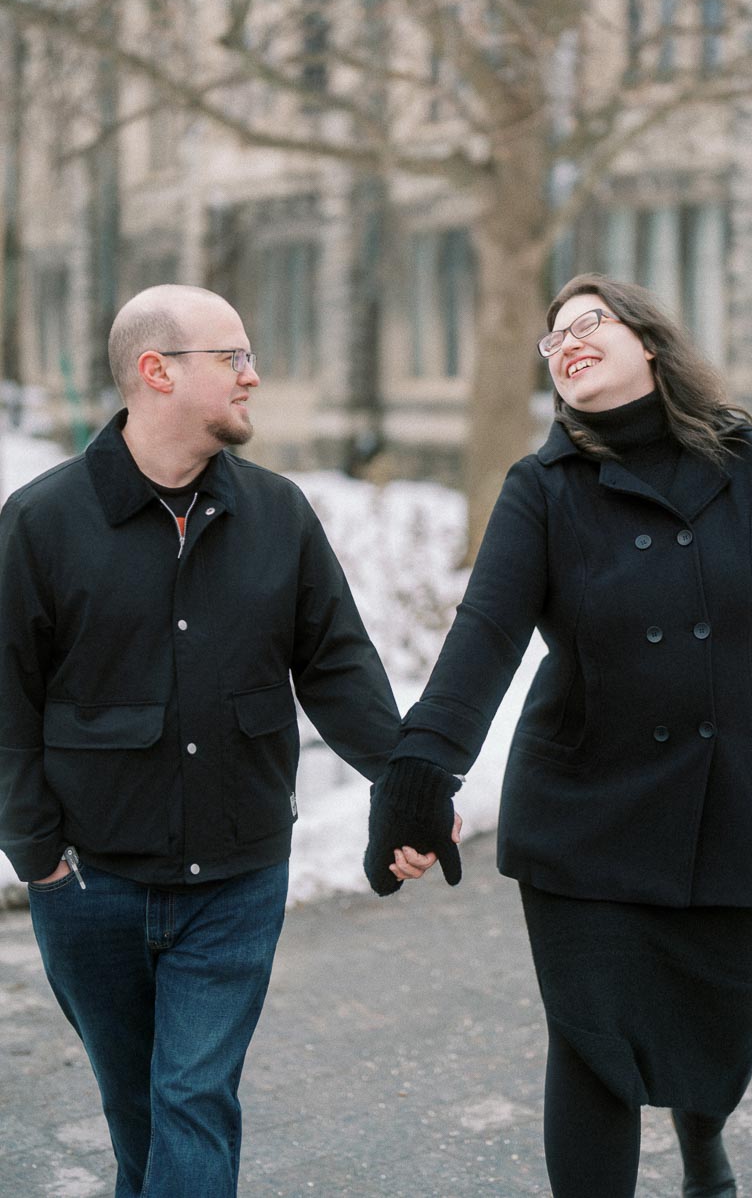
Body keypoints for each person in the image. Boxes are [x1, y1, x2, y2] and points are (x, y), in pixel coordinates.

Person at [366, 273, 752, 1197]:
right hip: (584, 816)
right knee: (594, 1050)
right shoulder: (542, 490)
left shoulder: (749, 463)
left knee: (717, 1037)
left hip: (729, 804)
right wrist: (421, 769)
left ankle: (702, 1140)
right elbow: (484, 636)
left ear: (647, 340)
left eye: (588, 322)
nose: (567, 342)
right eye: (553, 338)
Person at [0, 284, 440, 1198]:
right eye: (232, 357)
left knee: (193, 1096)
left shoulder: (278, 514)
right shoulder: (40, 523)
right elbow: (5, 698)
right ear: (156, 373)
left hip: (237, 879)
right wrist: (36, 852)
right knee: (138, 1110)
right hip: (90, 886)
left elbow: (337, 667)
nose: (255, 374)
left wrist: (404, 783)